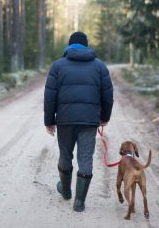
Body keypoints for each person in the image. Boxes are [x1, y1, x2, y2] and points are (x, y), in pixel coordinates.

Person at [44, 32, 114, 212]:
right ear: (86, 46)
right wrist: (104, 117)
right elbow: (108, 96)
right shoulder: (99, 66)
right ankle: (80, 202)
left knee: (65, 155)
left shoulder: (58, 65)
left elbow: (50, 96)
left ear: (69, 45)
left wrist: (49, 121)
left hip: (66, 119)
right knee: (85, 158)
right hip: (89, 121)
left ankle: (66, 191)